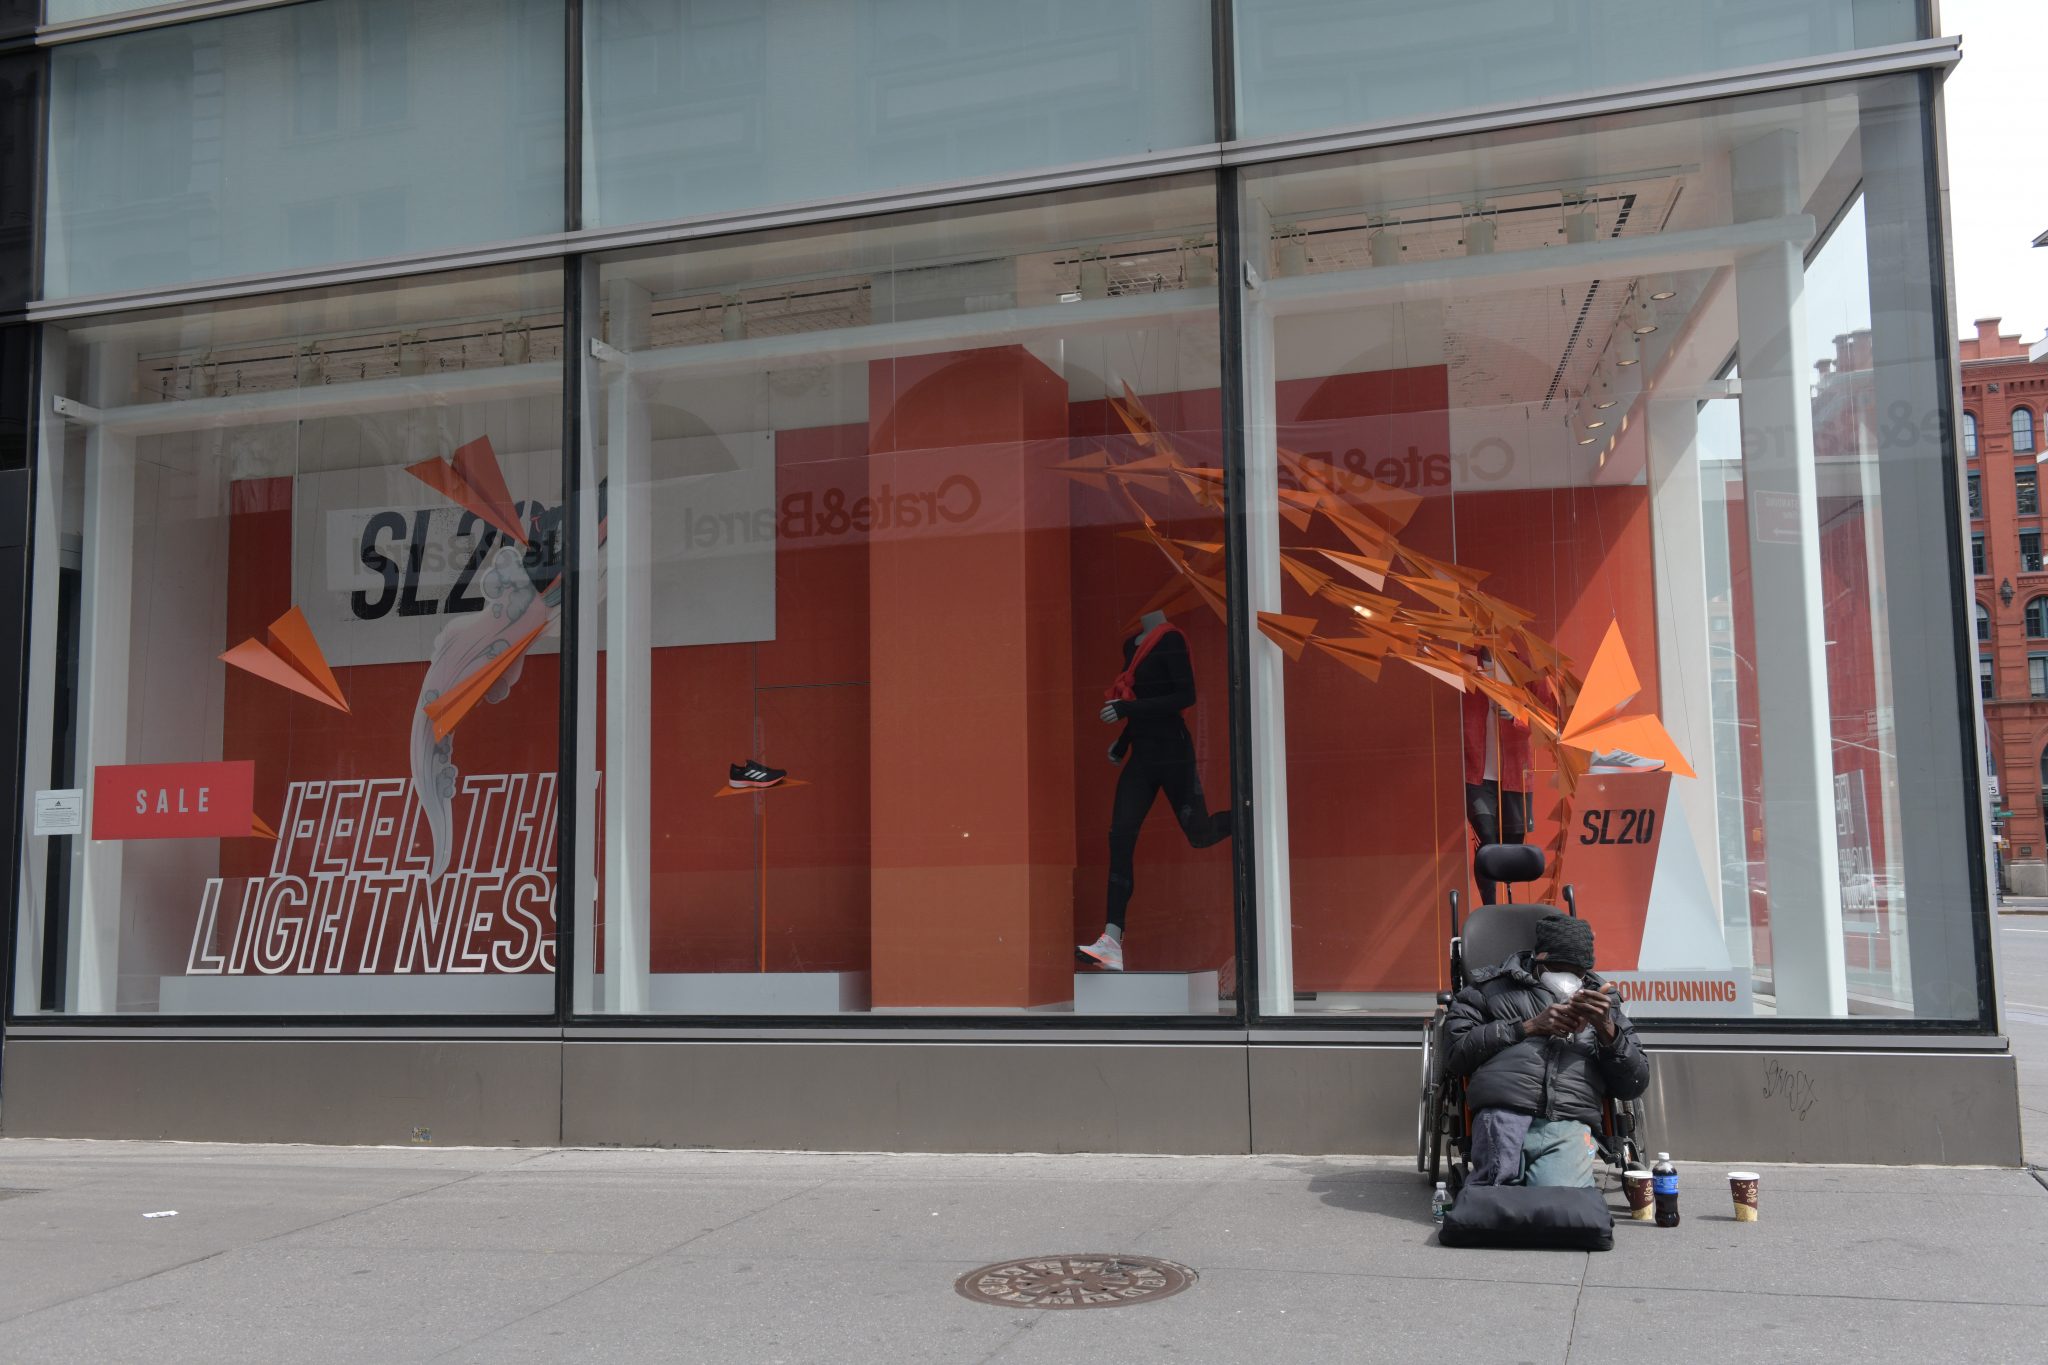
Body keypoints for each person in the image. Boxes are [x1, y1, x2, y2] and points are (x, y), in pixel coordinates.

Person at [1442, 912, 1649, 1187]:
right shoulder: (1489, 990)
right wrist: (1526, 1027)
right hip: (1504, 1107)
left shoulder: (1602, 1001)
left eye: (1577, 972)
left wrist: (1607, 1030)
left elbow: (1634, 1083)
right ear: (1538, 959)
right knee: (1496, 1189)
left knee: (1560, 1201)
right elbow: (1455, 1054)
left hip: (1568, 1117)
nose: (1569, 978)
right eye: (1560, 968)